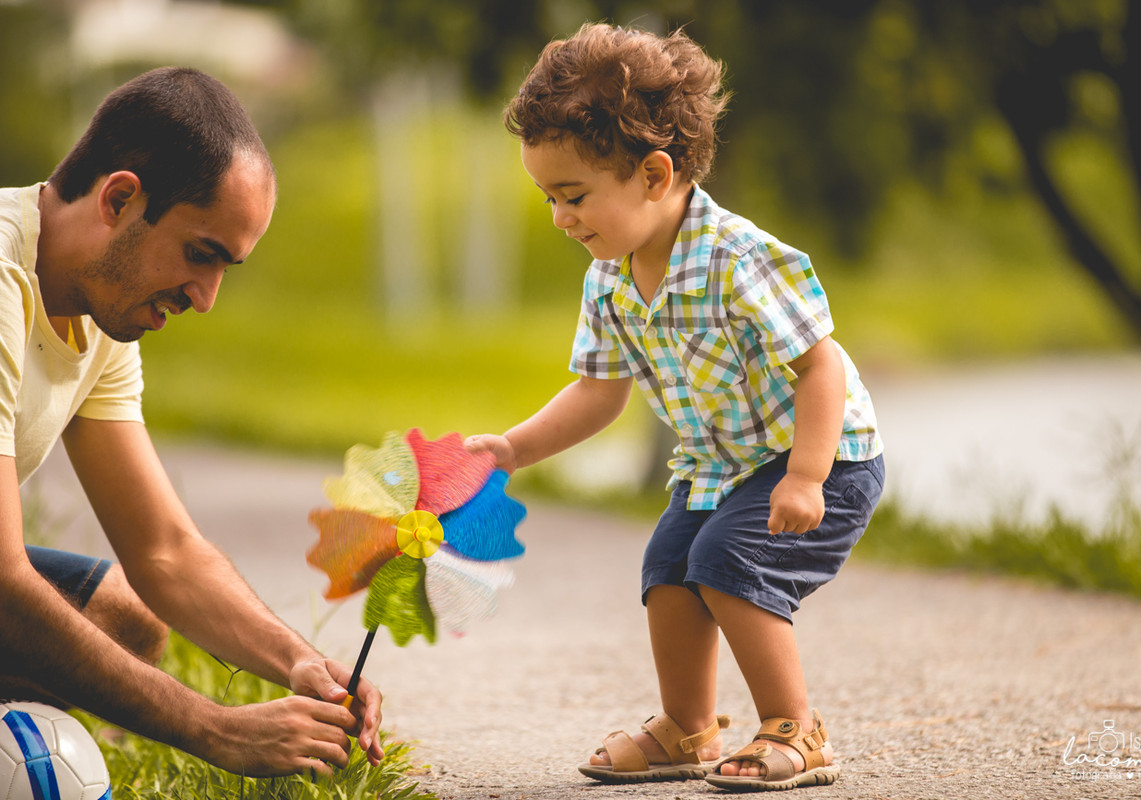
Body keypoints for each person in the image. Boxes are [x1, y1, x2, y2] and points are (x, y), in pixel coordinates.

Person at [465, 23, 885, 792]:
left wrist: (806, 475)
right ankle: (688, 729)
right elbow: (599, 389)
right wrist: (513, 450)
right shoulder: (610, 277)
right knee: (668, 570)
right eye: (549, 197)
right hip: (719, 467)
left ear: (655, 175)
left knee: (728, 562)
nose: (561, 217)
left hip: (823, 456)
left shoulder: (737, 257)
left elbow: (822, 365)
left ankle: (797, 729)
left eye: (574, 195)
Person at [0, 67, 385, 777]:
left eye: (226, 269)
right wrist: (215, 729)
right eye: (200, 254)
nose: (205, 298)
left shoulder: (99, 315)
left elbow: (165, 552)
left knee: (125, 618)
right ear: (119, 198)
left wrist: (299, 660)